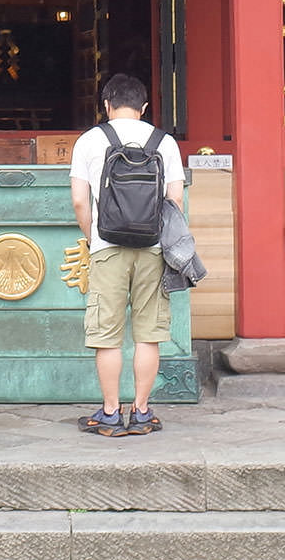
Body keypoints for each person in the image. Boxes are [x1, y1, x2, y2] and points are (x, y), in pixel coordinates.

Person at [69, 73, 184, 438]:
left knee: (108, 334)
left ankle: (109, 413)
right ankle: (142, 412)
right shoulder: (164, 142)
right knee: (148, 334)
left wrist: (94, 238)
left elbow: (79, 200)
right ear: (144, 107)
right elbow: (175, 200)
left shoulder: (89, 141)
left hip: (108, 247)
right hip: (152, 248)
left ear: (106, 104)